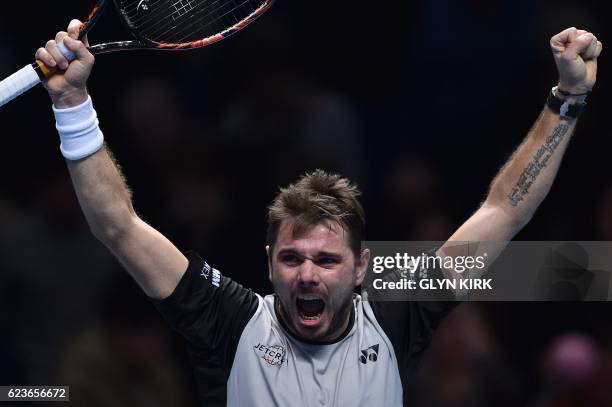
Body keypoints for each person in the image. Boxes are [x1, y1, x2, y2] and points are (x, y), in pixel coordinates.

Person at [35, 19, 602, 406]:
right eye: (292, 257)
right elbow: (117, 225)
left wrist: (567, 99)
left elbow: (504, 209)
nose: (307, 273)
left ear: (360, 269)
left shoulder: (398, 315)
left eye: (327, 260)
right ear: (269, 263)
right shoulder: (226, 321)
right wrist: (70, 103)